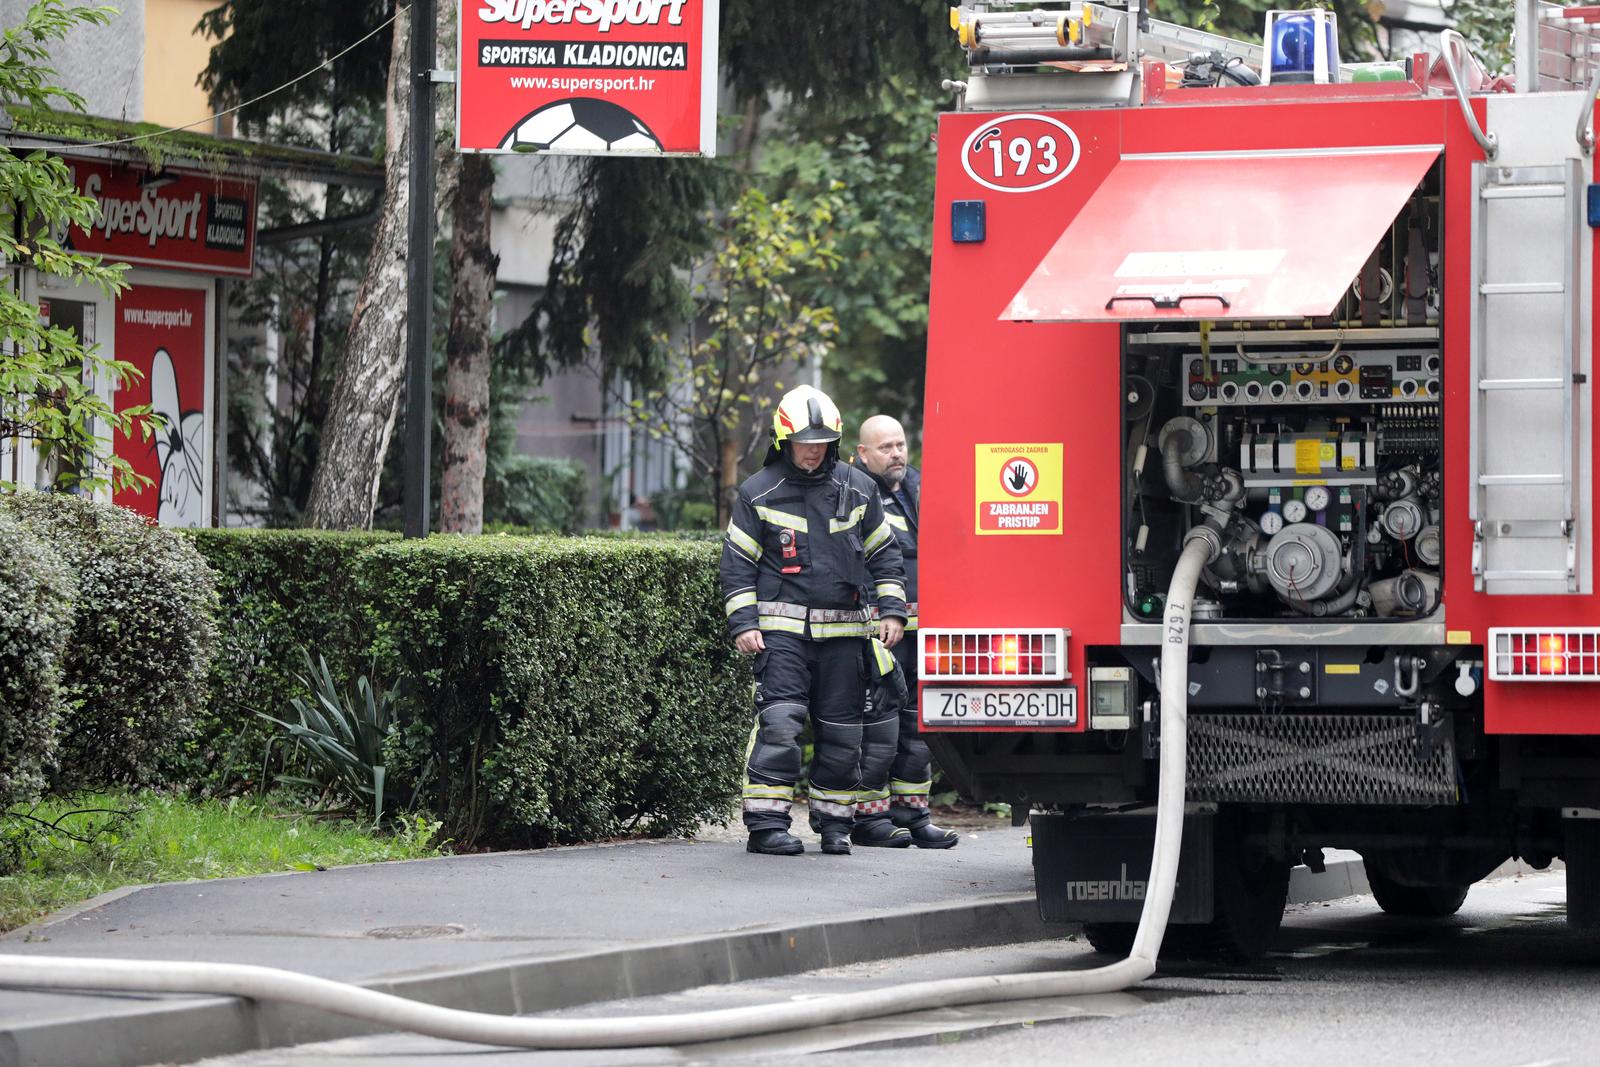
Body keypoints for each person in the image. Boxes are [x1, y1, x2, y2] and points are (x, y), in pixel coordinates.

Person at [721, 385, 908, 856]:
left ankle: (834, 825)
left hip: (846, 635)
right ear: (784, 440)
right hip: (781, 635)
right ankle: (766, 826)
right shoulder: (759, 491)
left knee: (843, 736)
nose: (812, 449)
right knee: (781, 725)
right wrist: (744, 623)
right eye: (804, 441)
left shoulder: (858, 487)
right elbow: (737, 564)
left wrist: (892, 611)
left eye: (821, 441)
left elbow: (885, 555)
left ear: (836, 441)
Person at [853, 414, 959, 849]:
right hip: (879, 632)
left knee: (918, 728)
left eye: (900, 445)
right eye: (885, 447)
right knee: (878, 725)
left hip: (924, 632)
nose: (896, 453)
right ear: (862, 454)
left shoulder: (919, 487)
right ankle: (869, 819)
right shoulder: (852, 494)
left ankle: (912, 814)